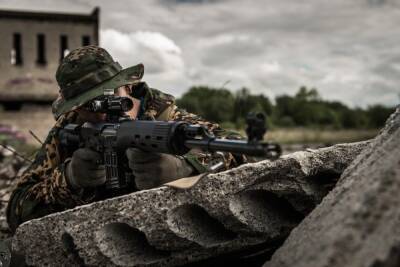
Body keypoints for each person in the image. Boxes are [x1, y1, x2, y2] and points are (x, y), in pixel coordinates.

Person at [6, 45, 246, 232]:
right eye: (90, 105)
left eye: (111, 95)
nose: (102, 112)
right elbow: (16, 210)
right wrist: (68, 179)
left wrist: (184, 169)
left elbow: (238, 150)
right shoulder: (69, 128)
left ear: (128, 87)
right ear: (76, 109)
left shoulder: (165, 116)